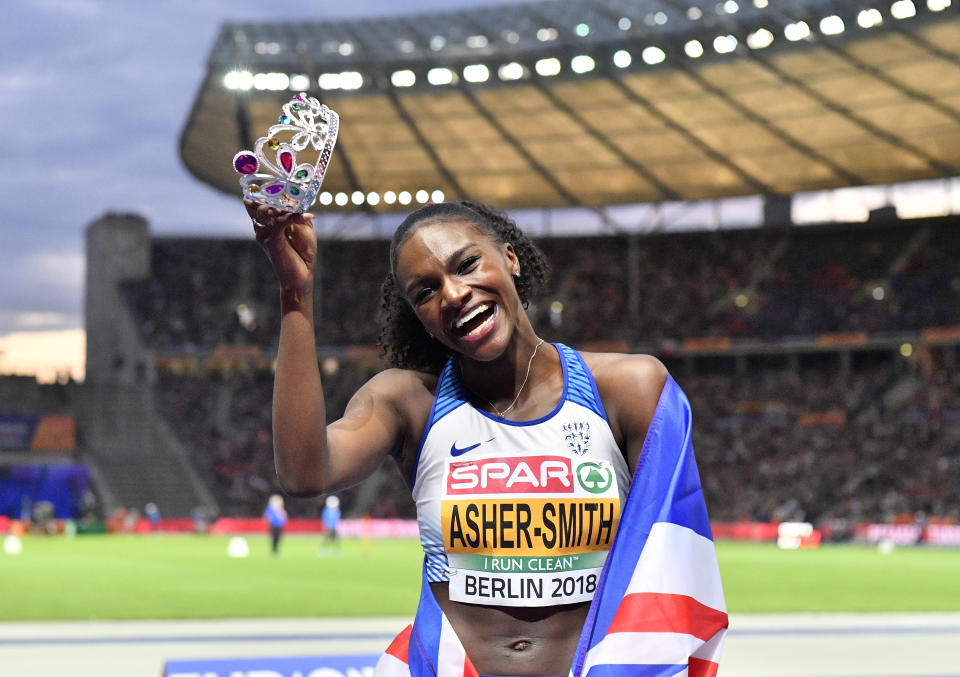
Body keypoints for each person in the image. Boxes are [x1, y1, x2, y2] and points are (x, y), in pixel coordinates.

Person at [244, 198, 725, 676]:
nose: (452, 294)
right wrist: (295, 294)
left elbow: (668, 562)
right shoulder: (409, 402)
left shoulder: (630, 389)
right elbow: (306, 472)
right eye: (426, 292)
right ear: (421, 317)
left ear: (510, 258)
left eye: (467, 264)